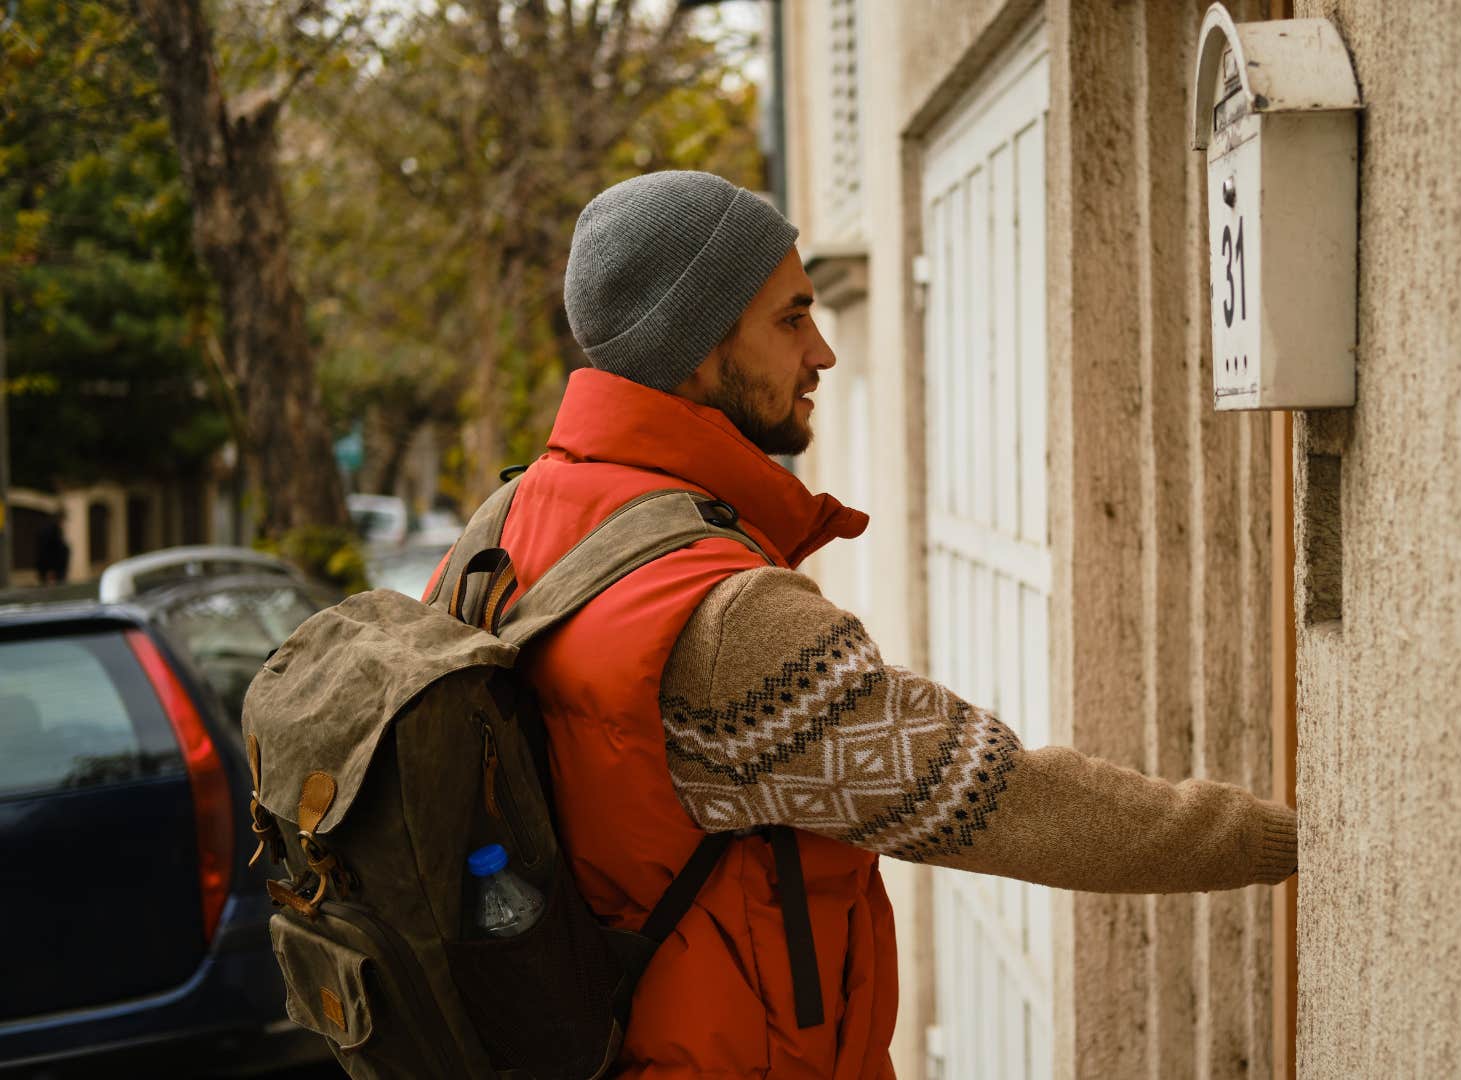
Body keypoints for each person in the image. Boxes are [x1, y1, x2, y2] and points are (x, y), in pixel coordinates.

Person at [451, 171, 1297, 1078]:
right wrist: (1287, 839)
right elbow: (1001, 799)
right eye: (789, 319)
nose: (823, 352)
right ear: (694, 347)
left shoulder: (499, 528)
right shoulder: (728, 623)